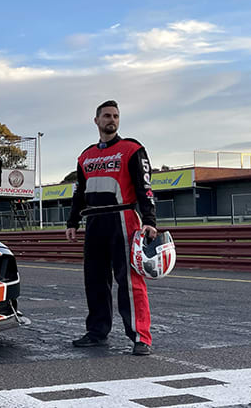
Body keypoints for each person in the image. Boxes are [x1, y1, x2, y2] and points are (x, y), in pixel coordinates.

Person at [65, 99, 157, 356]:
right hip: (94, 221)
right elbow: (79, 192)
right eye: (106, 115)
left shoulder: (132, 149)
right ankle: (97, 332)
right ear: (96, 121)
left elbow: (145, 188)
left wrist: (149, 220)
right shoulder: (86, 155)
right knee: (94, 281)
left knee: (129, 280)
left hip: (123, 219)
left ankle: (140, 337)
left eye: (115, 116)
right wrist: (72, 222)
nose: (112, 120)